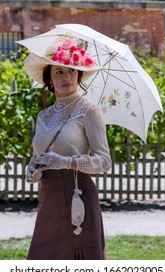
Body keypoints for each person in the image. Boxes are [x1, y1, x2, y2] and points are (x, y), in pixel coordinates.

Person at [25, 36, 111, 260]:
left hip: (78, 197)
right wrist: (34, 168)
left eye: (71, 70)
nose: (66, 77)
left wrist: (67, 162)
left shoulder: (89, 111)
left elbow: (104, 161)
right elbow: (40, 156)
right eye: (59, 72)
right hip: (49, 198)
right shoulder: (43, 116)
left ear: (79, 74)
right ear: (49, 79)